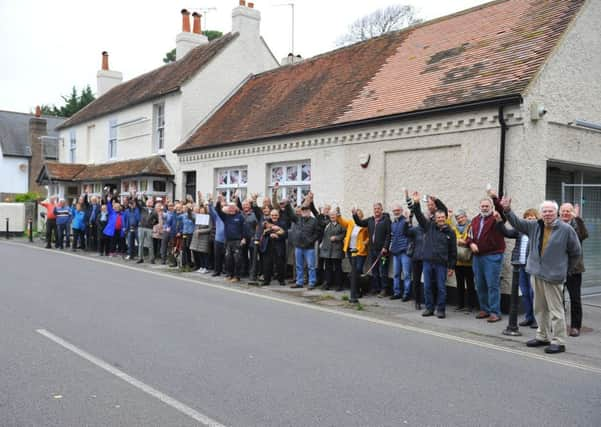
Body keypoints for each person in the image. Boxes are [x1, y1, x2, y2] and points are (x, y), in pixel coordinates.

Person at [501, 197, 581, 354]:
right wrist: (507, 210)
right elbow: (517, 223)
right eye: (545, 211)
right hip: (536, 274)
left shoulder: (566, 229)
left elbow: (576, 252)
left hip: (554, 276)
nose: (547, 214)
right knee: (539, 308)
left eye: (550, 211)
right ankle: (542, 336)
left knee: (556, 311)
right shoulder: (534, 226)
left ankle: (558, 341)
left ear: (556, 213)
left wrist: (566, 269)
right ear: (541, 213)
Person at [410, 192, 457, 318]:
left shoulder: (450, 233)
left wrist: (451, 267)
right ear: (435, 218)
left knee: (441, 288)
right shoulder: (429, 226)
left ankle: (441, 310)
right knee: (427, 287)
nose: (440, 219)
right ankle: (429, 308)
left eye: (443, 217)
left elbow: (453, 251)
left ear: (445, 218)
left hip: (441, 264)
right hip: (427, 262)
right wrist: (416, 202)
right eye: (438, 217)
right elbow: (419, 215)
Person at [466, 193, 506, 322]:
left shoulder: (496, 217)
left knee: (492, 285)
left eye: (487, 206)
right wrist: (471, 243)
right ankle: (485, 309)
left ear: (491, 207)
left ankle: (495, 312)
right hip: (477, 257)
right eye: (482, 206)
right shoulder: (475, 220)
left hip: (492, 256)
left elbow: (501, 211)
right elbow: (469, 235)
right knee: (480, 284)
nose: (484, 208)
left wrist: (495, 198)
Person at [498, 208, 539, 328]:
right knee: (525, 293)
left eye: (532, 218)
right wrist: (500, 222)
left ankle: (537, 319)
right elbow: (507, 233)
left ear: (536, 220)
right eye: (527, 218)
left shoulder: (537, 231)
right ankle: (529, 317)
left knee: (533, 294)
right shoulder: (520, 230)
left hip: (532, 268)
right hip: (520, 266)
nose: (530, 220)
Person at [559, 203, 588, 337]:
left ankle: (575, 326)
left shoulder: (576, 225)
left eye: (568, 211)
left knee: (575, 299)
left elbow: (584, 234)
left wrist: (578, 218)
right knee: (558, 298)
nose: (565, 213)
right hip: (558, 268)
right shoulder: (555, 225)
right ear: (559, 212)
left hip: (574, 269)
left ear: (572, 213)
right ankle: (559, 324)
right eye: (563, 211)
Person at [353, 202, 391, 296]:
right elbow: (360, 223)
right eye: (375, 209)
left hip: (383, 252)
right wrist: (354, 215)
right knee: (374, 270)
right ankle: (376, 288)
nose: (376, 210)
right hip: (373, 250)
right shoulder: (370, 220)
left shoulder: (386, 220)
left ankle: (384, 289)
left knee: (383, 270)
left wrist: (385, 247)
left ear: (381, 209)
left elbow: (388, 235)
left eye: (378, 208)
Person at [338, 208, 368, 303]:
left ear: (361, 216)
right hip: (350, 250)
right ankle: (357, 289)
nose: (358, 215)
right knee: (355, 271)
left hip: (360, 251)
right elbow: (342, 222)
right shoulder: (351, 223)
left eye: (359, 214)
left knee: (357, 270)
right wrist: (338, 215)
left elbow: (369, 237)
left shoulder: (364, 225)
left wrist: (365, 242)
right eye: (356, 214)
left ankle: (357, 290)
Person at [289, 203, 320, 289]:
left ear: (309, 211)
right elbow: (290, 214)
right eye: (303, 210)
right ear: (301, 212)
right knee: (299, 265)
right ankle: (299, 282)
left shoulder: (314, 221)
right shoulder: (298, 219)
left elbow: (317, 233)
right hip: (298, 246)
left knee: (311, 266)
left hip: (309, 248)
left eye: (307, 210)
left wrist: (311, 241)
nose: (305, 212)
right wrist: (288, 204)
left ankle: (312, 282)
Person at [450, 209, 476, 312]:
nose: (460, 220)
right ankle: (460, 304)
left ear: (465, 217)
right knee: (459, 284)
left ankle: (471, 306)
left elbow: (472, 239)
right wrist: (449, 216)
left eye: (461, 217)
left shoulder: (471, 226)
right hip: (458, 261)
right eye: (458, 218)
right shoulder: (454, 228)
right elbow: (450, 232)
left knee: (470, 284)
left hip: (468, 261)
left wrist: (464, 242)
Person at [216, 195, 245, 282]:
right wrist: (219, 201)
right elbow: (218, 211)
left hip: (237, 241)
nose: (231, 209)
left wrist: (243, 238)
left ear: (236, 209)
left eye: (233, 208)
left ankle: (237, 276)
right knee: (228, 259)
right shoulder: (226, 216)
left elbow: (244, 229)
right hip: (228, 241)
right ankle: (229, 275)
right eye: (230, 208)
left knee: (237, 259)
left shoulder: (240, 216)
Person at [319, 210, 346, 291]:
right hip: (327, 250)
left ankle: (339, 285)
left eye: (334, 215)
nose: (332, 217)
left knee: (338, 268)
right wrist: (321, 213)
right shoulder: (327, 224)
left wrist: (337, 238)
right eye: (331, 215)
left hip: (337, 250)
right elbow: (319, 222)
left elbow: (344, 234)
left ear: (337, 216)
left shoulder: (341, 224)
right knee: (327, 268)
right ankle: (327, 283)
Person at [389, 203, 411, 301]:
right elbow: (392, 236)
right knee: (396, 274)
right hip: (395, 252)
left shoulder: (405, 221)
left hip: (405, 252)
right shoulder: (393, 223)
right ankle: (397, 292)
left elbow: (409, 232)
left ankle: (406, 294)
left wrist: (407, 220)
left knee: (406, 274)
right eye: (394, 211)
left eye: (398, 210)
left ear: (401, 211)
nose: (396, 212)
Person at [260, 209, 288, 287]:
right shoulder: (266, 222)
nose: (274, 217)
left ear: (278, 216)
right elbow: (264, 232)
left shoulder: (283, 223)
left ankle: (281, 280)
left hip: (279, 246)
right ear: (270, 215)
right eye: (272, 215)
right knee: (267, 265)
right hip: (268, 246)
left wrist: (277, 236)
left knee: (280, 265)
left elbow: (286, 235)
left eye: (275, 215)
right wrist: (272, 232)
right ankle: (266, 280)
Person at [137, 197, 158, 264]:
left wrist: (152, 224)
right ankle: (140, 258)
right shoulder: (143, 209)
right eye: (148, 202)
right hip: (141, 227)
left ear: (152, 204)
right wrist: (135, 197)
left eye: (150, 202)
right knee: (141, 244)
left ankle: (152, 259)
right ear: (146, 203)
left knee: (150, 244)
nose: (149, 203)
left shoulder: (154, 211)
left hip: (149, 228)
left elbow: (156, 220)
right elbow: (138, 204)